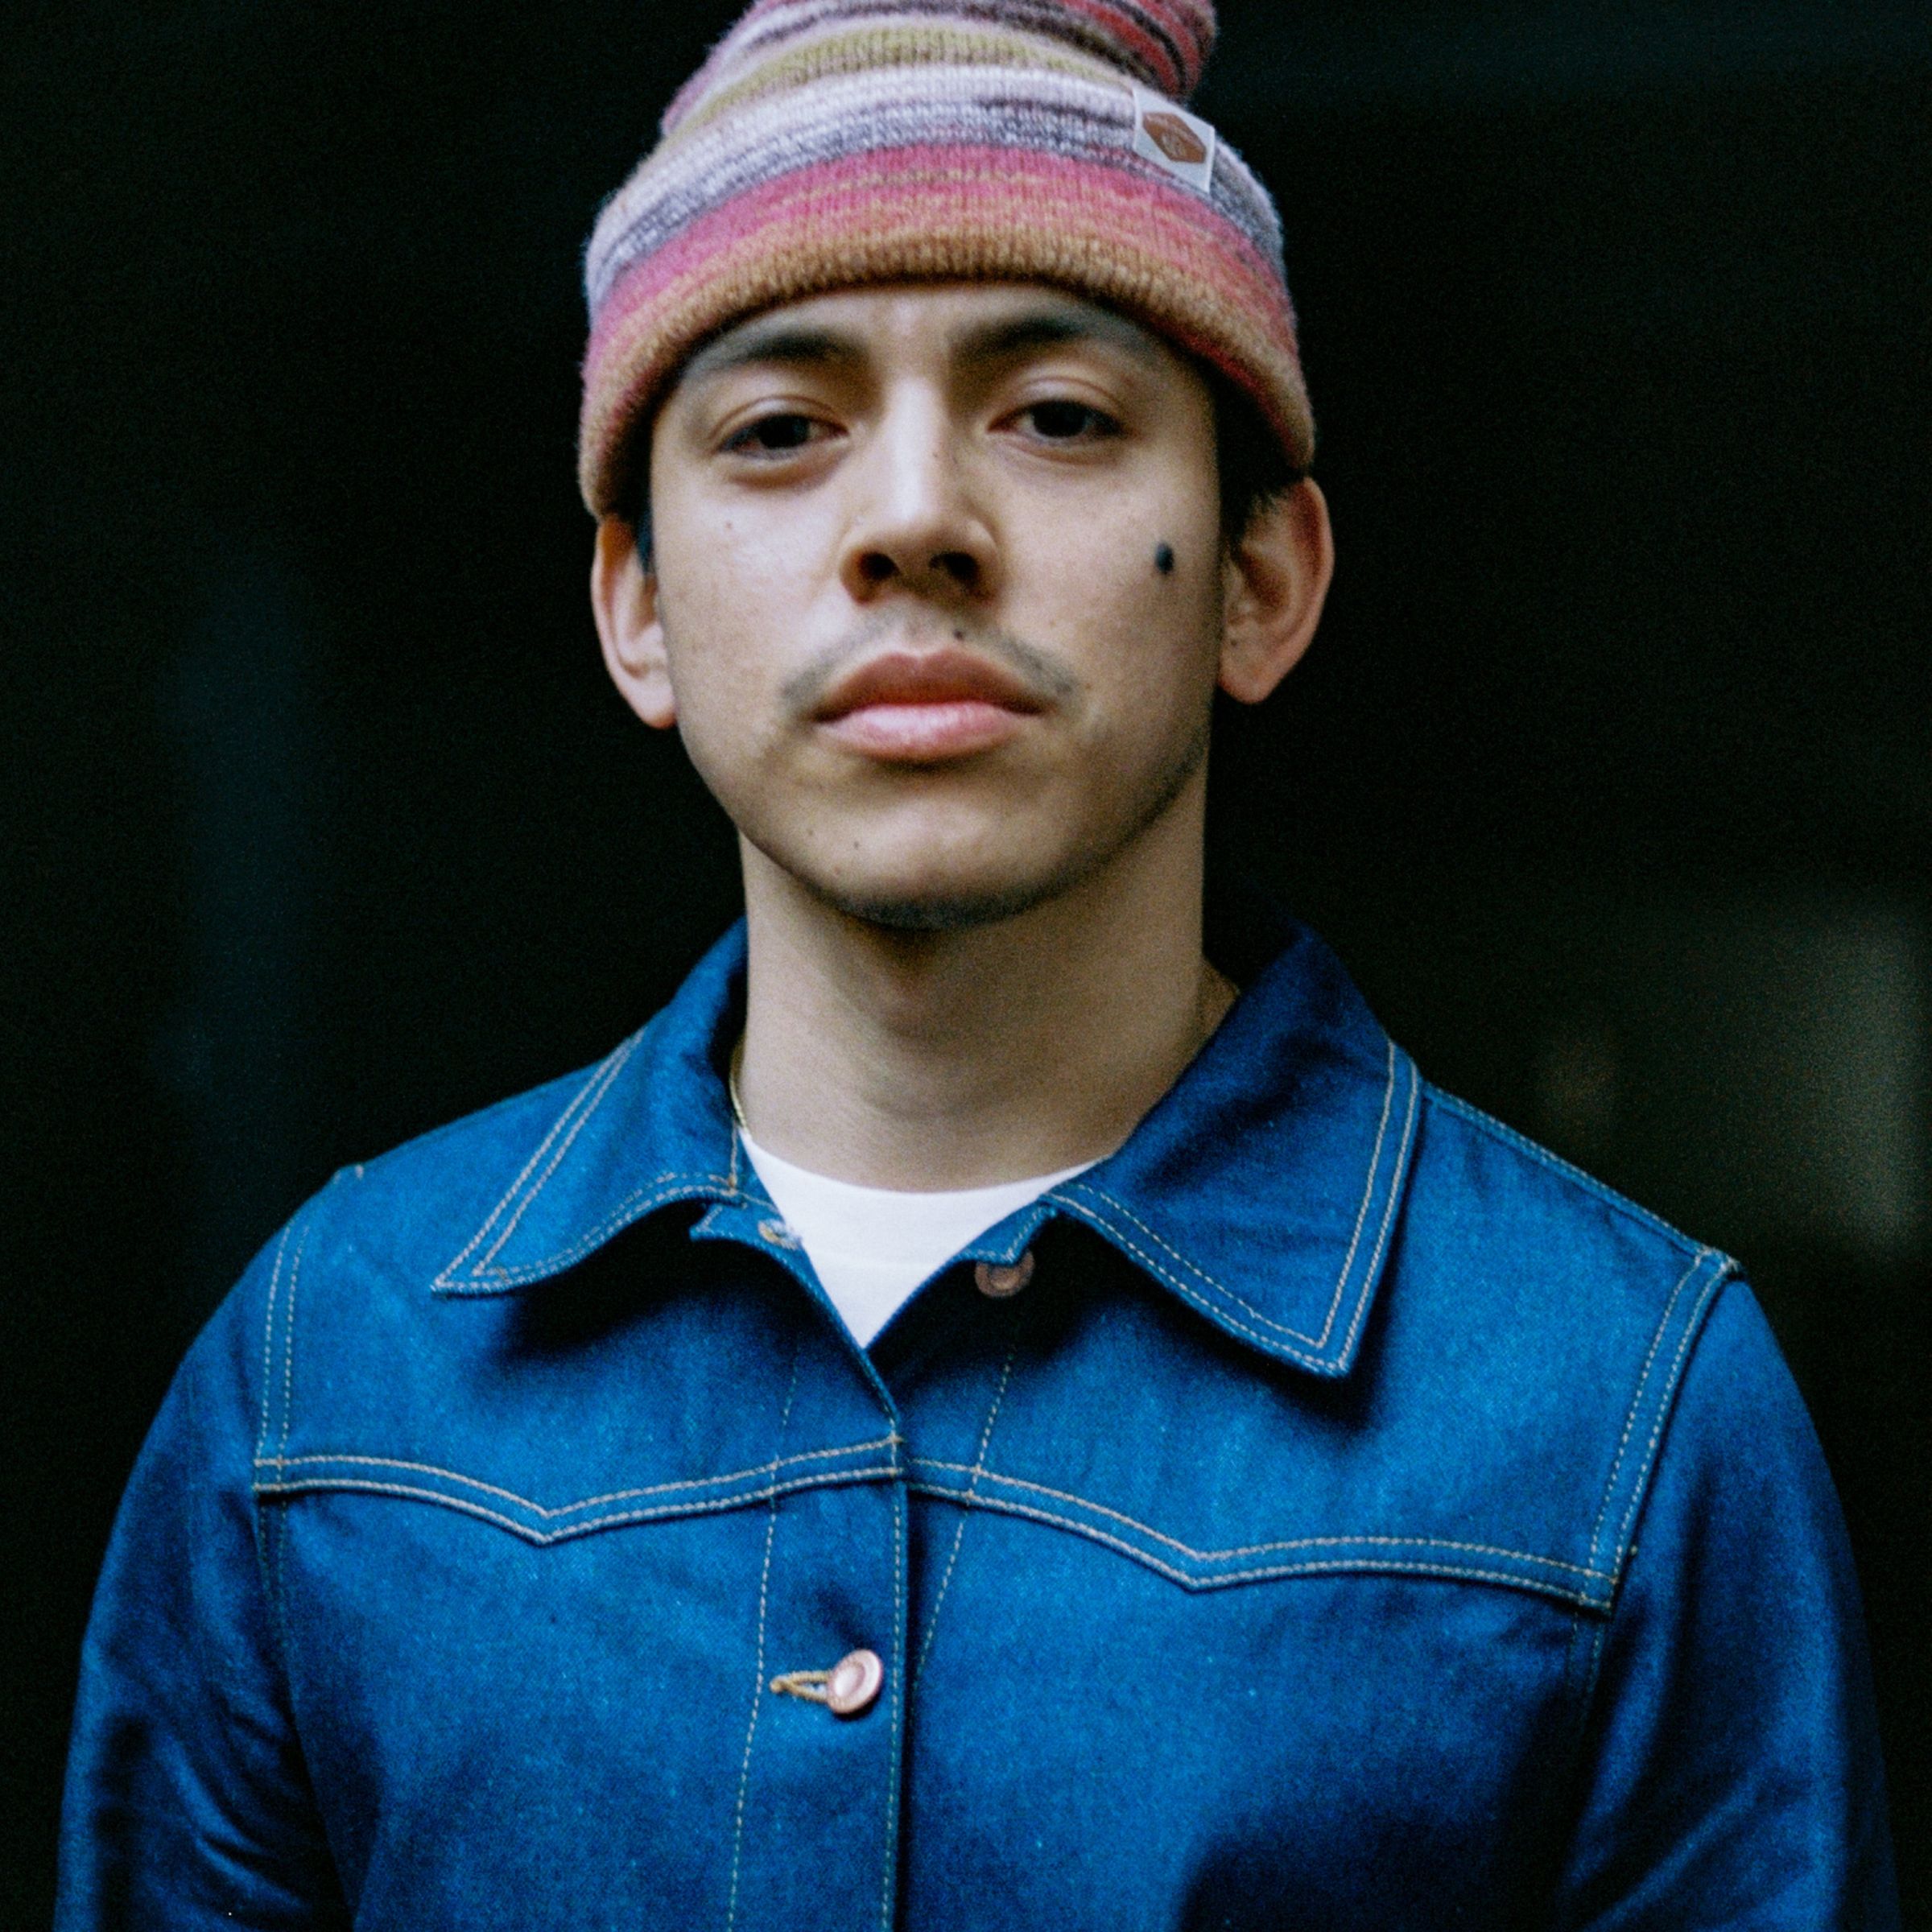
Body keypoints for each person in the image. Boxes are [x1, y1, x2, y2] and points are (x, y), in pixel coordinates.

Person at [57, 0, 1898, 1925]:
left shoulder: (1617, 1411)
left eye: (1060, 416)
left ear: (1262, 577)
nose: (917, 522)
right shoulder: (334, 1372)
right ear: (639, 610)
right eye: (782, 429)